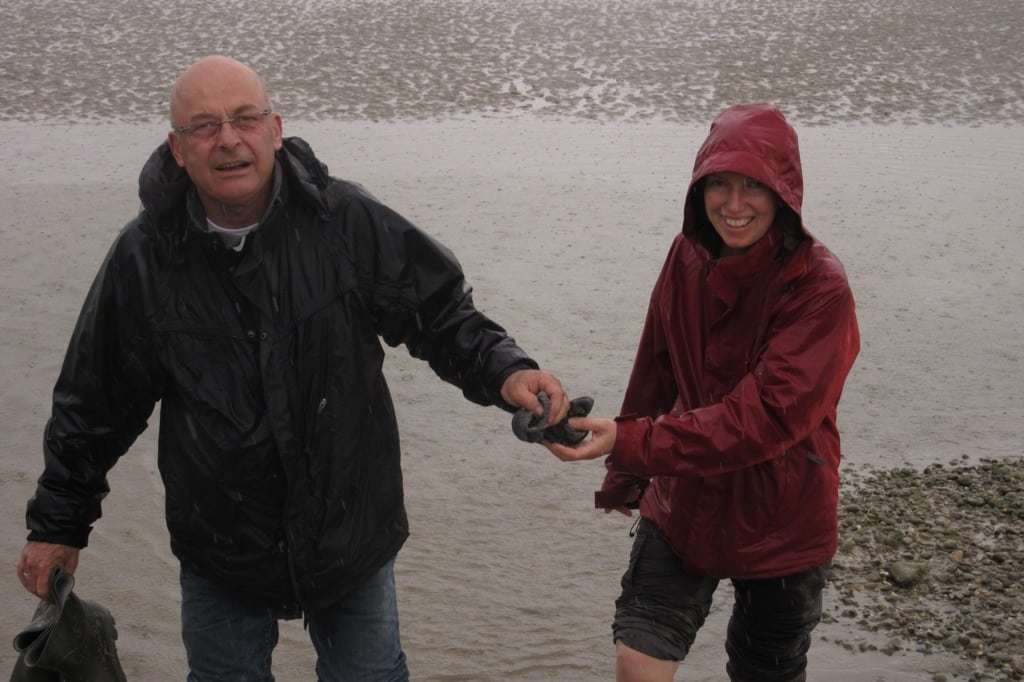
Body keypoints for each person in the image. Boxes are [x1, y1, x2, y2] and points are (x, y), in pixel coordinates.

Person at [16, 55, 569, 681]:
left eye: (244, 119)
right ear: (177, 149)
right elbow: (94, 403)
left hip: (348, 529)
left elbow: (440, 314)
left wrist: (508, 372)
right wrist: (58, 526)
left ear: (275, 129)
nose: (228, 139)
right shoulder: (145, 259)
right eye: (203, 126)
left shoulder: (346, 222)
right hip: (220, 542)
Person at [546, 103, 860, 681]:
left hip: (783, 520)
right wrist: (624, 473)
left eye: (753, 188)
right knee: (638, 661)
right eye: (719, 184)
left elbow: (763, 417)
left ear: (784, 193)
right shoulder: (686, 254)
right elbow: (656, 366)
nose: (734, 206)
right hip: (684, 499)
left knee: (765, 672)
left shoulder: (822, 288)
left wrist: (632, 440)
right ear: (699, 188)